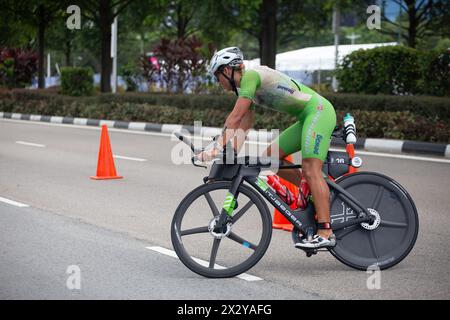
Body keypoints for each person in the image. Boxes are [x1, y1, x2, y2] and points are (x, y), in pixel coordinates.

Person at [198, 47, 337, 249]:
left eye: (217, 76)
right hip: (307, 117)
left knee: (310, 168)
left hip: (319, 112)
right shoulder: (246, 88)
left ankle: (325, 232)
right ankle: (313, 195)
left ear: (226, 71)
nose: (218, 82)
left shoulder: (250, 77)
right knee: (271, 157)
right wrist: (228, 155)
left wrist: (214, 149)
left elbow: (235, 118)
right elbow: (244, 126)